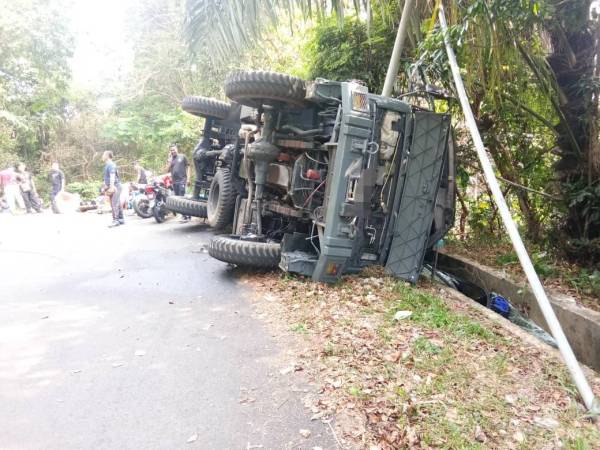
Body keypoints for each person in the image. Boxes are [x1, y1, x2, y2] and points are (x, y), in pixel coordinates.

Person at [167, 144, 190, 221]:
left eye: (174, 150)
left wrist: (189, 178)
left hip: (182, 180)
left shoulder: (182, 157)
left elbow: (188, 167)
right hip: (174, 182)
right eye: (171, 150)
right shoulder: (171, 160)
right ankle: (187, 215)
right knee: (178, 199)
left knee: (181, 197)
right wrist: (169, 161)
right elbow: (167, 170)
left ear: (177, 150)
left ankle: (185, 216)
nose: (172, 151)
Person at [101, 151, 124, 227]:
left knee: (114, 203)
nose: (102, 156)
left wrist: (111, 187)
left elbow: (112, 176)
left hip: (115, 186)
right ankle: (121, 219)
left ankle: (115, 220)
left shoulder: (111, 164)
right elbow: (106, 178)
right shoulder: (107, 165)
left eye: (103, 155)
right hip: (114, 186)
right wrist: (105, 186)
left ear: (107, 156)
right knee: (117, 203)